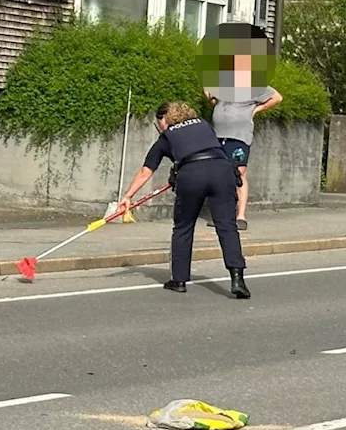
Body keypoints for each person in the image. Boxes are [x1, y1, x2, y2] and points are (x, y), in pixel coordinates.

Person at [119, 100, 250, 298]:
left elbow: (146, 171)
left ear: (165, 119)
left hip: (192, 175)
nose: (159, 128)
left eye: (158, 123)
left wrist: (128, 196)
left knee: (183, 226)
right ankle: (237, 278)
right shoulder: (204, 125)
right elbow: (208, 149)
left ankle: (179, 280)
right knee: (227, 226)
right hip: (222, 172)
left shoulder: (167, 136)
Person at [205, 51, 281, 231]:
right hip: (219, 135)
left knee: (238, 174)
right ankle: (222, 214)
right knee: (219, 175)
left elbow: (277, 97)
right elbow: (212, 98)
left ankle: (240, 216)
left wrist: (256, 110)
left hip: (239, 136)